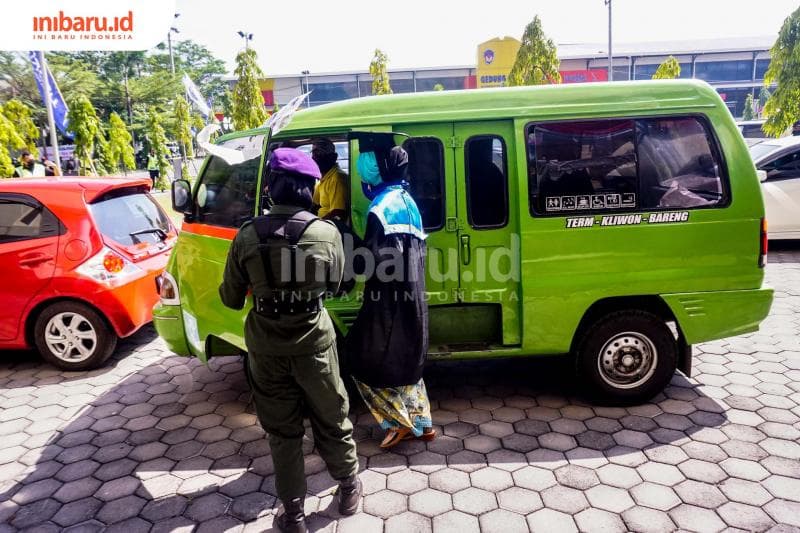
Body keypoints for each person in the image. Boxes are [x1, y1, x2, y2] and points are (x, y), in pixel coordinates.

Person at [219, 148, 361, 533]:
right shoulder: (326, 234)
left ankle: (294, 514)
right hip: (315, 343)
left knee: (282, 431)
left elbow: (230, 299)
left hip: (266, 348)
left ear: (272, 187)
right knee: (333, 417)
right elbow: (337, 287)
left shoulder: (247, 235)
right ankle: (348, 488)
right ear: (309, 189)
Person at [345, 145, 435, 448]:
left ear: (372, 179)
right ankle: (422, 422)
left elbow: (371, 263)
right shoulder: (408, 201)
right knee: (407, 361)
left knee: (363, 358)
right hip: (413, 299)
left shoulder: (381, 210)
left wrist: (346, 239)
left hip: (388, 305)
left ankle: (399, 424)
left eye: (362, 178)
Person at [311, 138, 348, 221]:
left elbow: (338, 213)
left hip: (329, 228)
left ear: (333, 157)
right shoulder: (323, 178)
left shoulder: (337, 178)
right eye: (314, 154)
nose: (314, 158)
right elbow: (315, 205)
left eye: (319, 154)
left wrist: (317, 224)